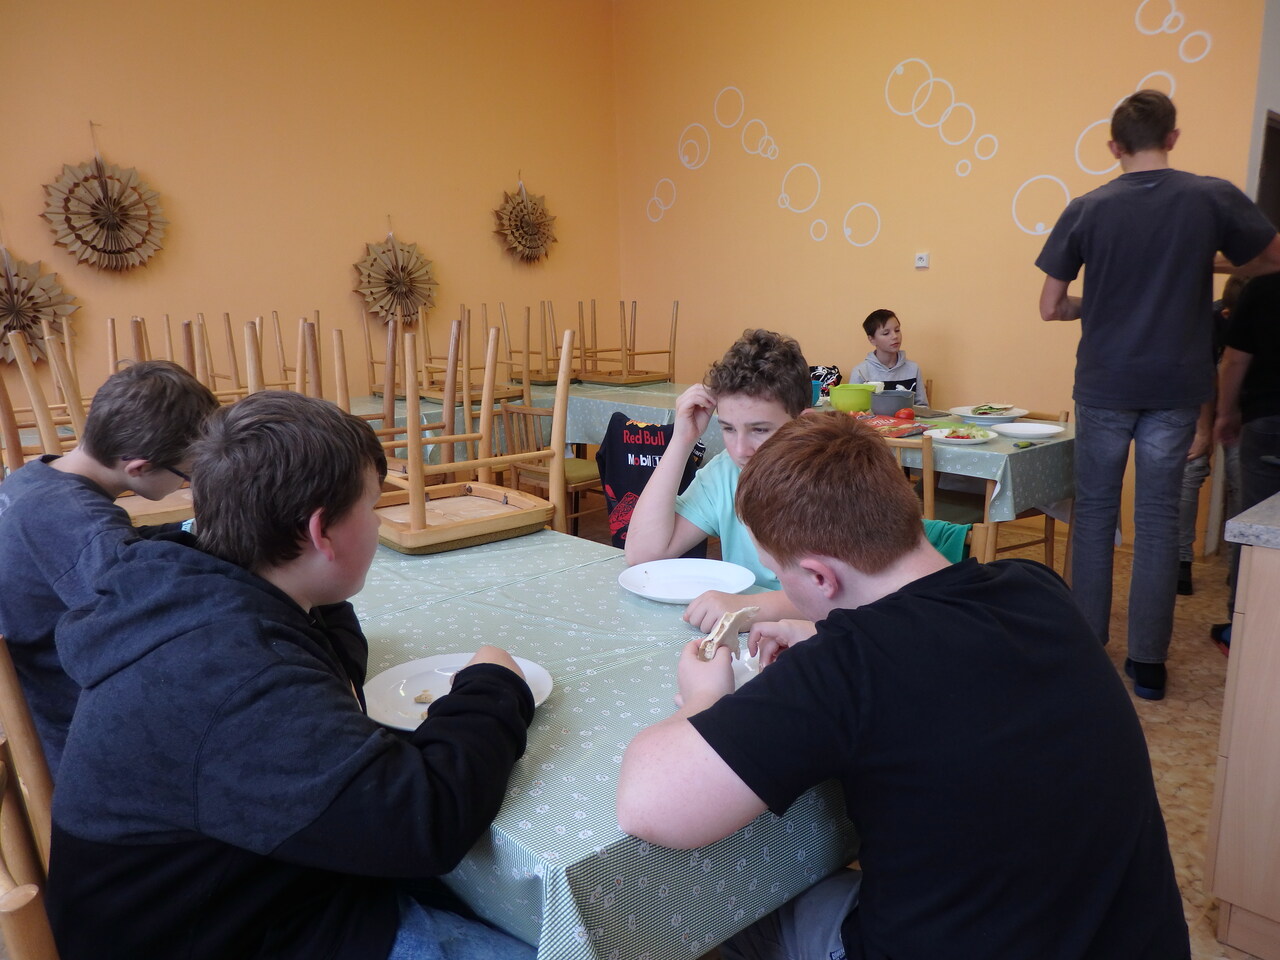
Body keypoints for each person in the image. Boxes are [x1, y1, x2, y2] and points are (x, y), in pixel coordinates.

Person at [616, 412, 1190, 960]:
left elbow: (648, 804)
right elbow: (935, 657)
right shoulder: (1036, 587)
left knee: (738, 909)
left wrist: (704, 696)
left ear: (819, 575)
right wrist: (813, 631)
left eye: (781, 575)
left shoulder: (849, 665)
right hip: (1133, 941)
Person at [47, 391, 537, 960]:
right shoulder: (233, 672)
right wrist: (495, 684)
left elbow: (331, 665)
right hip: (230, 934)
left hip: (246, 889)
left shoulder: (195, 586)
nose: (379, 523)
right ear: (321, 531)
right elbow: (423, 824)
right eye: (372, 507)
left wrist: (319, 594)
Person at [1036, 89, 1280, 699]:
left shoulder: (1087, 208)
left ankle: (1086, 651)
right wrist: (1205, 266)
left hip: (1105, 385)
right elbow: (1272, 258)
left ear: (1113, 146)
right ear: (1172, 137)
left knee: (1095, 516)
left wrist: (1096, 302)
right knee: (1157, 519)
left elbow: (1050, 306)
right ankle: (1147, 666)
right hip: (1175, 387)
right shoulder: (1209, 196)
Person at [0, 359, 218, 777]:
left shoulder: (35, 477)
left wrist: (189, 530)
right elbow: (146, 618)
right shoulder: (84, 523)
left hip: (42, 693)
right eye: (187, 474)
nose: (187, 484)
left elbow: (112, 551)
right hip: (73, 730)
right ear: (139, 467)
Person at [624, 329, 812, 632]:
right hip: (751, 638)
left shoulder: (831, 480)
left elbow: (850, 600)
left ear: (803, 423)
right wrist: (681, 441)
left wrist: (748, 608)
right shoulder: (726, 472)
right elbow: (643, 555)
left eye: (760, 430)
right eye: (727, 428)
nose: (740, 450)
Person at [1213, 269, 1280, 651]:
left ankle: (1242, 626)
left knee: (1254, 526)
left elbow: (1235, 360)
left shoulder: (1264, 288)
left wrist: (1226, 413)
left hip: (1269, 419)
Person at [1177, 276, 1245, 596]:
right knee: (1190, 468)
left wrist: (1233, 417)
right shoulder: (1209, 320)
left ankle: (1240, 567)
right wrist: (1204, 432)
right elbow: (1202, 375)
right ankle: (1180, 561)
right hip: (1200, 396)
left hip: (1248, 407)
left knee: (1241, 479)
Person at [849, 309, 928, 405]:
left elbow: (923, 407)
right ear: (872, 339)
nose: (895, 336)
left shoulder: (913, 369)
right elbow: (853, 408)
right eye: (886, 333)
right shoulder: (860, 372)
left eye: (897, 330)